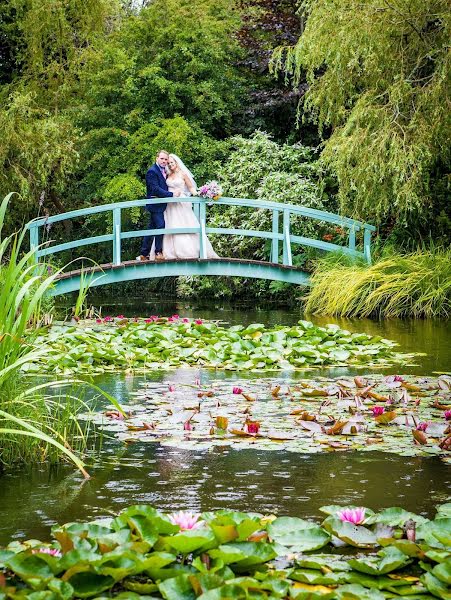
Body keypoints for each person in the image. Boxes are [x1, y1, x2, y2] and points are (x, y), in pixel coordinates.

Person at [148, 153, 218, 260]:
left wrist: (200, 193)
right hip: (169, 204)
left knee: (183, 224)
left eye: (172, 162)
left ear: (176, 162)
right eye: (169, 162)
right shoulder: (167, 174)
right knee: (169, 225)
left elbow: (191, 188)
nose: (170, 164)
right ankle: (168, 252)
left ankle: (186, 250)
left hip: (181, 203)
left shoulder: (183, 174)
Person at [137, 150, 180, 261]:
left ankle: (143, 253)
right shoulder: (152, 171)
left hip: (161, 204)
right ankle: (158, 252)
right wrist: (171, 194)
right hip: (155, 204)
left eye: (166, 159)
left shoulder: (164, 171)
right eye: (162, 158)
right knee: (160, 225)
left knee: (151, 227)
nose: (164, 161)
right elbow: (155, 189)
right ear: (157, 158)